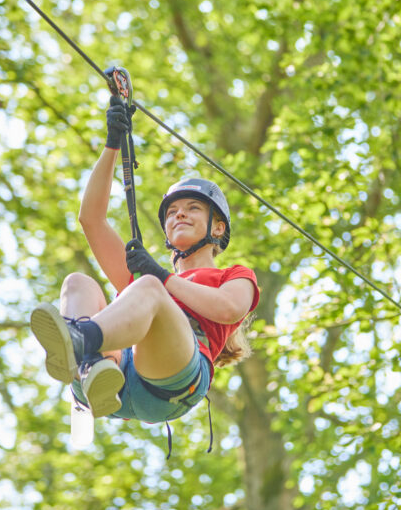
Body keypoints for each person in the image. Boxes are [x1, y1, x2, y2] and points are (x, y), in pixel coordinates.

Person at [30, 96, 260, 423]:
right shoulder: (142, 284)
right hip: (115, 378)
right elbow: (91, 220)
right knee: (78, 283)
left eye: (193, 208)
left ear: (217, 227)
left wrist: (162, 278)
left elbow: (229, 309)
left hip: (173, 380)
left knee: (149, 289)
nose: (179, 213)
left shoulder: (231, 276)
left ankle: (81, 342)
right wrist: (112, 145)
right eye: (172, 212)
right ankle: (91, 364)